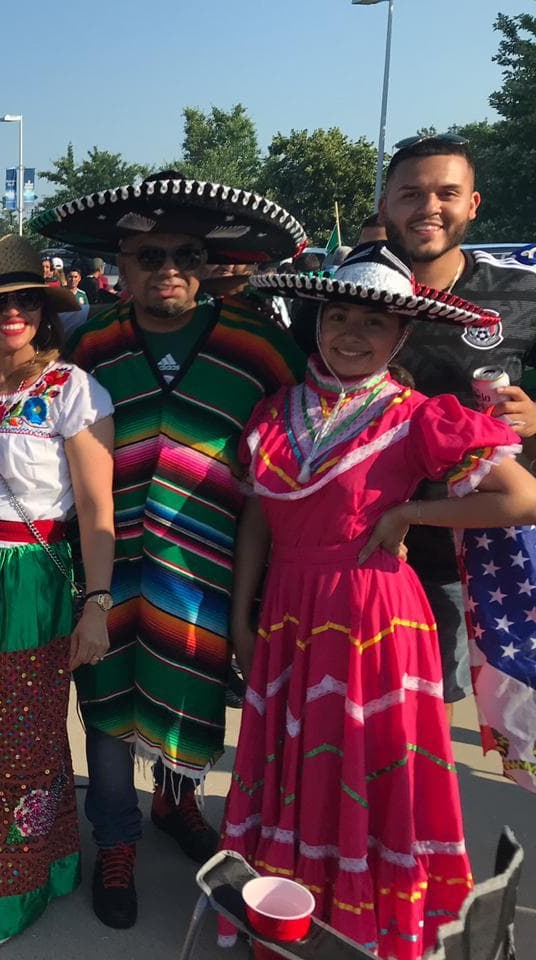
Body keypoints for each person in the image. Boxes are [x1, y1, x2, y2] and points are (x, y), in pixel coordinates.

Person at [224, 241, 536, 959]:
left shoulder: (421, 415)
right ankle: (292, 911)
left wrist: (408, 517)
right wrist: (242, 616)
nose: (352, 335)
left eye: (373, 324)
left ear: (400, 336)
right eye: (338, 317)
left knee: (368, 765)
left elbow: (520, 498)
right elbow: (256, 520)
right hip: (289, 614)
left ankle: (369, 921)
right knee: (298, 767)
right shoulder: (276, 411)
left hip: (376, 620)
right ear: (318, 324)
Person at [52, 171, 307, 929]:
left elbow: (302, 437)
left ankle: (174, 800)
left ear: (208, 262)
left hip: (207, 563)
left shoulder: (257, 345)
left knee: (192, 687)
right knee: (103, 702)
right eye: (149, 253)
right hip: (103, 560)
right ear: (121, 265)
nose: (168, 268)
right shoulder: (88, 343)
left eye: (186, 253)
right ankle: (117, 837)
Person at [0, 235, 116, 949]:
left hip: (29, 579)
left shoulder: (71, 390)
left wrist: (96, 603)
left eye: (24, 301)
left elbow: (97, 512)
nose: (10, 313)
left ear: (43, 311)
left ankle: (7, 883)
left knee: (17, 740)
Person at [379, 134, 536, 721]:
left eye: (447, 192)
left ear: (472, 204)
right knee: (367, 714)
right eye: (410, 193)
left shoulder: (519, 293)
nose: (429, 207)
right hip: (366, 548)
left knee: (438, 715)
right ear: (385, 205)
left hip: (484, 551)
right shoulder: (343, 295)